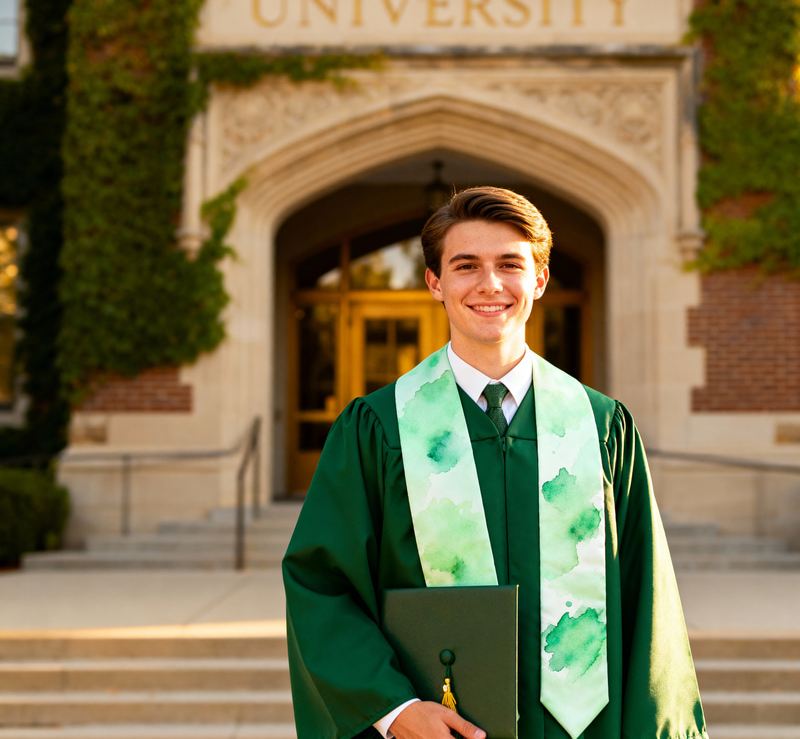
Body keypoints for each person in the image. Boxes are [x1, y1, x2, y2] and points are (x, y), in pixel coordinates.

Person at [282, 187, 707, 739]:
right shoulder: (381, 428)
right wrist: (394, 709)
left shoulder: (600, 427)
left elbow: (648, 599)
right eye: (466, 266)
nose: (490, 284)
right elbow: (322, 583)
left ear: (540, 279)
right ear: (435, 282)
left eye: (510, 264)